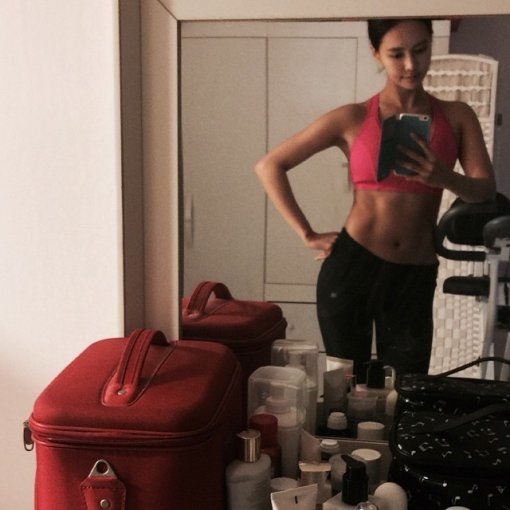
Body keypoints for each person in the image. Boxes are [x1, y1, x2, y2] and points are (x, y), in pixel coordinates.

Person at [254, 18, 496, 382]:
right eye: (396, 54)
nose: (411, 64)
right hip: (352, 265)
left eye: (420, 50)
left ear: (431, 45)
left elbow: (485, 189)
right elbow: (269, 165)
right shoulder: (351, 117)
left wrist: (443, 177)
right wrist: (307, 234)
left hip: (415, 273)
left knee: (406, 388)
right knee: (344, 387)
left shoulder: (457, 116)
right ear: (376, 54)